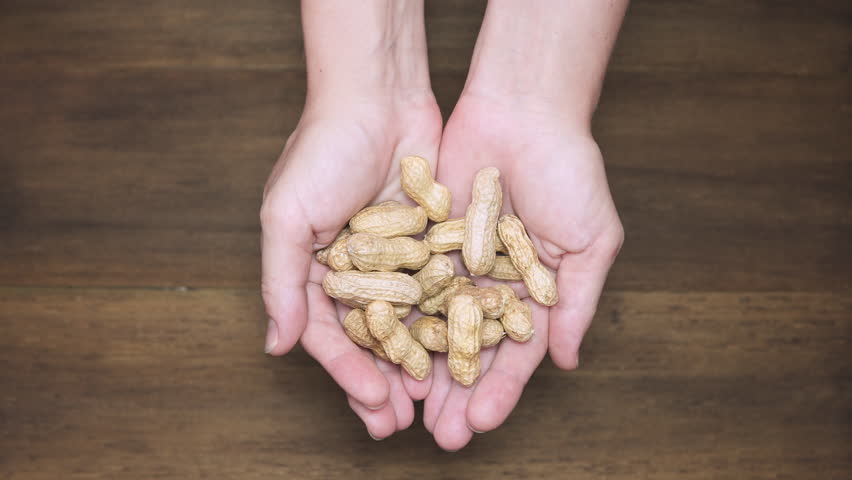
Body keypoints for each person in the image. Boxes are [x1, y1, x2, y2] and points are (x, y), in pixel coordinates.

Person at [260, 0, 627, 451]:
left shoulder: (444, 259)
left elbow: (440, 274)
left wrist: (540, 96)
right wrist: (361, 91)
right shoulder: (421, 254)